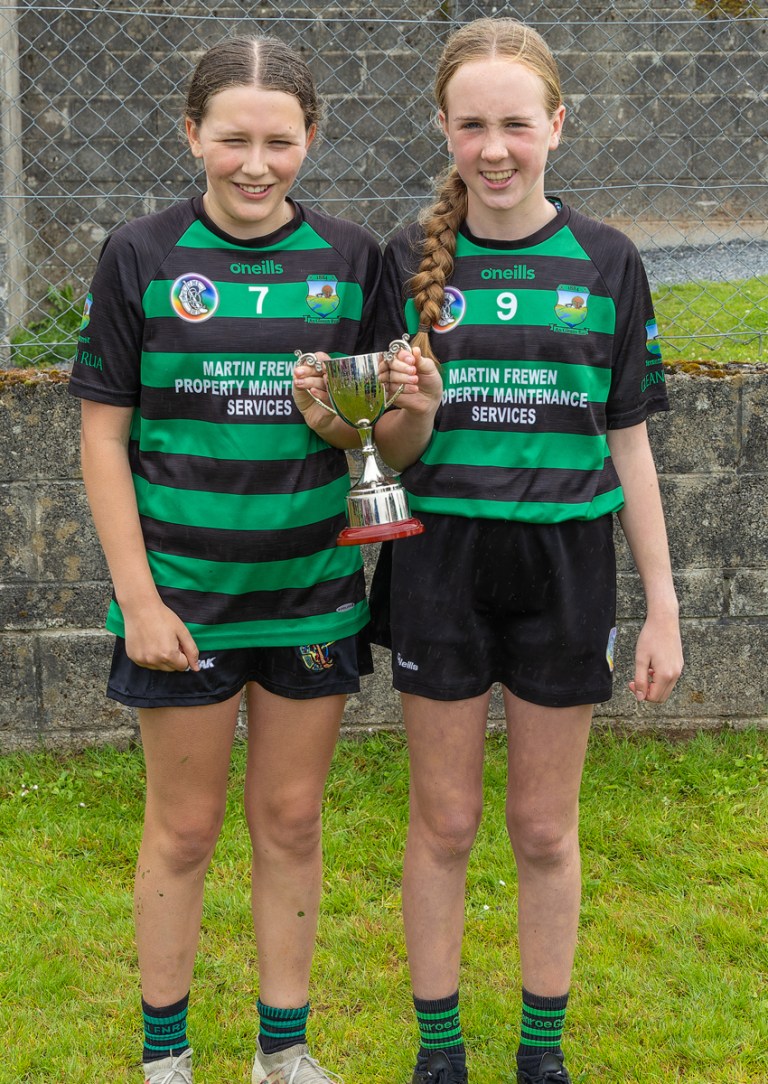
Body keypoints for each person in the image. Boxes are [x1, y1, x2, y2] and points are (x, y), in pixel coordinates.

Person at [370, 18, 684, 1084]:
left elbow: (629, 440)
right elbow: (388, 445)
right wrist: (414, 407)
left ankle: (540, 1055)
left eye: (516, 123)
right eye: (472, 125)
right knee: (446, 818)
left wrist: (664, 604)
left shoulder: (607, 260)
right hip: (439, 560)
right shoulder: (405, 267)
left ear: (557, 123)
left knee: (545, 828)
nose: (495, 148)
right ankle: (439, 1050)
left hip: (565, 565)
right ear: (444, 130)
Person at [69, 35, 381, 1084]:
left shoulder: (353, 260)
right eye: (234, 138)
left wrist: (349, 415)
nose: (257, 162)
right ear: (191, 133)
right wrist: (138, 598)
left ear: (311, 139)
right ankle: (167, 1058)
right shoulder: (141, 255)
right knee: (185, 827)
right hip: (184, 604)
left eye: (280, 140)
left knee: (291, 819)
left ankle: (283, 1051)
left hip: (309, 596)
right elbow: (103, 437)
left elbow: (378, 438)